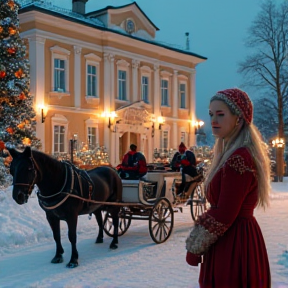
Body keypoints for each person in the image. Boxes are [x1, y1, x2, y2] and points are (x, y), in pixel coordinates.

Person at [185, 88, 271, 288]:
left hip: (234, 244)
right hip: (235, 239)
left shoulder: (238, 158)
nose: (213, 120)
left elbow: (225, 213)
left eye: (221, 114)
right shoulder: (235, 154)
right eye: (211, 114)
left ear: (238, 119)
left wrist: (195, 246)